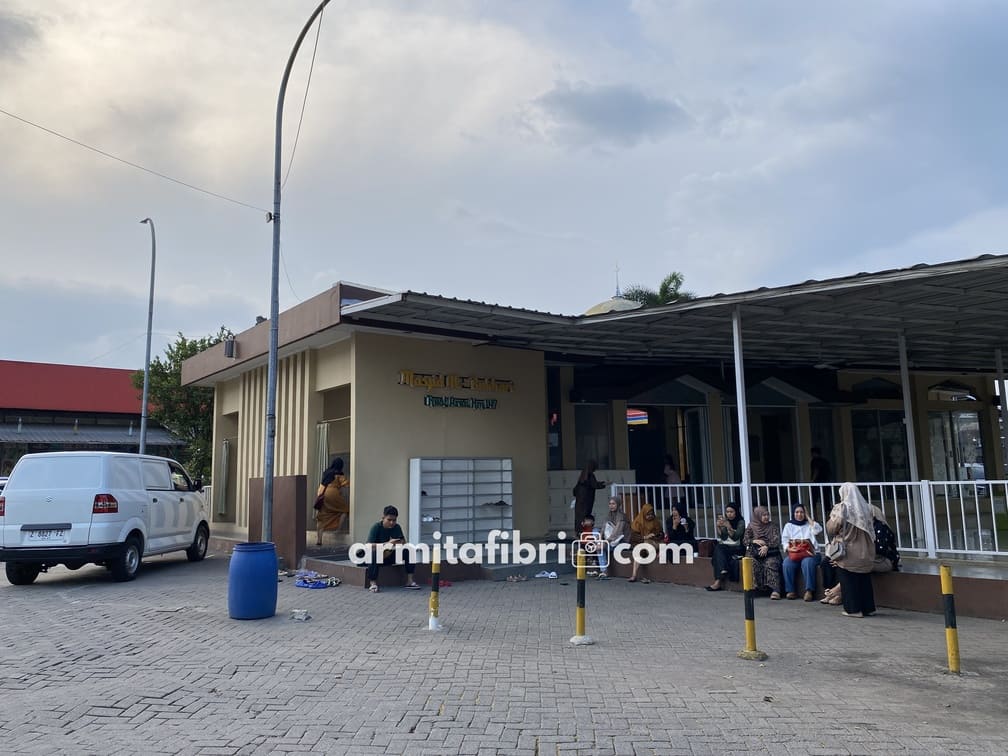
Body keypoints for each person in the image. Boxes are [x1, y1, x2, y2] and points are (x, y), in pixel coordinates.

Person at [825, 482, 877, 617]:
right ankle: (868, 608)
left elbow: (832, 528)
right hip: (866, 551)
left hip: (849, 552)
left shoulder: (842, 508)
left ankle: (854, 610)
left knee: (848, 580)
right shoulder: (867, 508)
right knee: (864, 580)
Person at [364, 505, 421, 593]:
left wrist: (399, 543)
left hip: (389, 554)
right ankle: (373, 583)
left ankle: (410, 581)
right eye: (389, 520)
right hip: (376, 556)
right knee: (374, 554)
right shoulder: (376, 527)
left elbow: (404, 542)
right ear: (383, 518)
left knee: (409, 550)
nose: (391, 523)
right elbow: (368, 545)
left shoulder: (397, 527)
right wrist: (387, 543)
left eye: (394, 520)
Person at [781, 504, 822, 601]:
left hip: (811, 554)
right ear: (793, 513)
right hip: (796, 554)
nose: (799, 514)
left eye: (802, 512)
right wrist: (790, 549)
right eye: (797, 512)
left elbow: (818, 530)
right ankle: (790, 591)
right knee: (787, 563)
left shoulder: (809, 524)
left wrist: (808, 517)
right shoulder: (789, 526)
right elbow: (784, 541)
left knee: (807, 562)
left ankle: (809, 591)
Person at [743, 506, 783, 599]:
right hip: (755, 553)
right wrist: (753, 541)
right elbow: (745, 540)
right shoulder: (751, 526)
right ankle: (754, 589)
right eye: (763, 515)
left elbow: (777, 540)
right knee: (751, 563)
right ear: (757, 516)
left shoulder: (773, 526)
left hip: (771, 553)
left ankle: (775, 590)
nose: (766, 517)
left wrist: (767, 546)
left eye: (767, 515)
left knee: (771, 563)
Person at [706, 504, 746, 591]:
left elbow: (736, 537)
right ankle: (721, 573)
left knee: (718, 551)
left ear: (736, 512)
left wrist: (729, 527)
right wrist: (718, 527)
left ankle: (718, 581)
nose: (729, 514)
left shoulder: (741, 522)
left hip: (738, 548)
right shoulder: (726, 521)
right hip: (727, 548)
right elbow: (723, 537)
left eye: (731, 512)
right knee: (719, 549)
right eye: (727, 512)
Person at [315, 457, 349, 545]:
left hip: (324, 493)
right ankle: (338, 529)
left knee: (322, 517)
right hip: (334, 494)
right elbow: (346, 484)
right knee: (344, 511)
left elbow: (322, 485)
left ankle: (319, 540)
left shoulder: (326, 472)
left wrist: (319, 495)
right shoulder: (339, 474)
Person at [628, 503, 662, 583]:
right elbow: (633, 537)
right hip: (640, 542)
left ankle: (635, 575)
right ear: (643, 514)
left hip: (653, 542)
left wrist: (655, 535)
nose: (650, 516)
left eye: (651, 514)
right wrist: (644, 537)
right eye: (648, 514)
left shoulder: (655, 521)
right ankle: (634, 575)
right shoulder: (638, 522)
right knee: (639, 551)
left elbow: (661, 533)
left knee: (662, 546)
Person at [573, 460, 607, 536]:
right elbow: (595, 485)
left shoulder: (582, 477)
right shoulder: (590, 475)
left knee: (579, 518)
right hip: (586, 502)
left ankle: (578, 533)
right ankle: (584, 535)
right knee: (586, 517)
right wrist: (604, 484)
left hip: (579, 503)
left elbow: (574, 491)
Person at [600, 497, 629, 580]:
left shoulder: (621, 516)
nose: (611, 506)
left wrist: (605, 542)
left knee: (601, 547)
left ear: (618, 504)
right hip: (611, 541)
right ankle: (604, 571)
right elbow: (603, 528)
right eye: (610, 504)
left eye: (613, 504)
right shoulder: (609, 515)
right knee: (596, 534)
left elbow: (617, 532)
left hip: (622, 542)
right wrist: (599, 540)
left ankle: (604, 571)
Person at [576, 513, 608, 579]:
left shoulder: (593, 529)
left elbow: (596, 535)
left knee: (594, 557)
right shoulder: (583, 528)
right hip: (583, 544)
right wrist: (583, 524)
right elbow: (580, 528)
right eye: (586, 520)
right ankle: (585, 569)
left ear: (593, 522)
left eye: (589, 520)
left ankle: (595, 570)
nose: (588, 522)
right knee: (584, 556)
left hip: (591, 544)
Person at [810, 447, 832, 512]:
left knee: (813, 501)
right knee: (826, 501)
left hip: (817, 483)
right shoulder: (826, 461)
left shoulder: (814, 461)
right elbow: (829, 472)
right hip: (826, 483)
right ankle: (828, 518)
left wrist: (812, 481)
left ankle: (815, 518)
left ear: (814, 453)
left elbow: (816, 471)